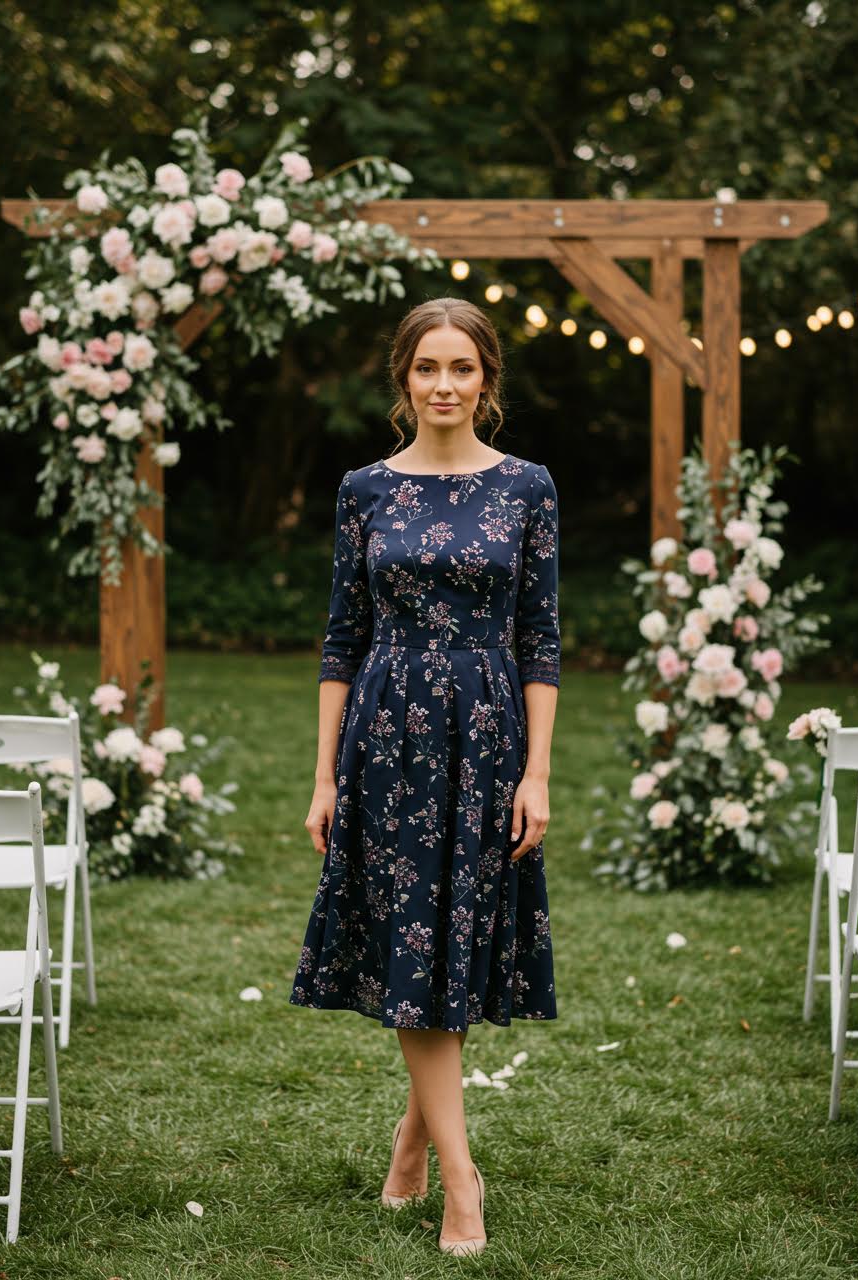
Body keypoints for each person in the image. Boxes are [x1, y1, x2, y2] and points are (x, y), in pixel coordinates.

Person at [289, 296, 560, 1257]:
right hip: (387, 736)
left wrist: (538, 771)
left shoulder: (528, 487)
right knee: (415, 941)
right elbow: (339, 640)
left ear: (487, 380)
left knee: (457, 936)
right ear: (403, 380)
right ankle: (460, 1179)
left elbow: (541, 642)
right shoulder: (365, 489)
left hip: (486, 738)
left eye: (462, 369)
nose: (444, 385)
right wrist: (323, 777)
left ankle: (413, 1147)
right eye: (426, 369)